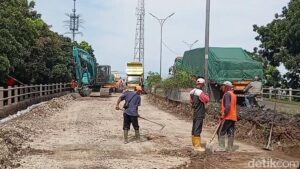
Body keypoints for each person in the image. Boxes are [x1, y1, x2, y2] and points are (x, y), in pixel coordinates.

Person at [189, 78, 210, 151]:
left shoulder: (192, 92)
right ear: (202, 84)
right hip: (200, 112)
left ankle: (194, 144)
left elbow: (191, 102)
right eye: (203, 85)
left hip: (195, 112)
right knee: (198, 128)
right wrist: (206, 94)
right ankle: (197, 146)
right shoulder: (200, 92)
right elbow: (207, 100)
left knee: (194, 128)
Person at [218, 81, 238, 151]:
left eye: (223, 86)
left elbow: (227, 106)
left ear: (227, 87)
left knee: (221, 132)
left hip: (227, 116)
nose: (222, 87)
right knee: (230, 132)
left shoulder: (226, 94)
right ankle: (230, 147)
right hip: (233, 117)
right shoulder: (233, 95)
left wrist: (224, 114)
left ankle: (221, 147)